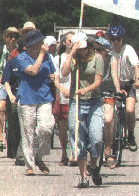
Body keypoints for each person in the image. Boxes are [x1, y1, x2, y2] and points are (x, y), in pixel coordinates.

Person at [61, 32, 104, 187]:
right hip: (76, 101)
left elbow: (98, 81)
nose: (82, 52)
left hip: (94, 102)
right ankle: (83, 176)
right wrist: (72, 52)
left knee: (96, 138)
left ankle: (94, 165)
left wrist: (87, 90)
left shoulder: (97, 58)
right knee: (77, 135)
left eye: (83, 49)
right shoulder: (74, 58)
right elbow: (64, 73)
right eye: (79, 49)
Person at [15, 30, 56, 176]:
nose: (43, 44)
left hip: (44, 96)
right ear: (32, 45)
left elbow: (52, 73)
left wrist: (52, 77)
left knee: (47, 127)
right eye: (40, 42)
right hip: (27, 98)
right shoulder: (22, 58)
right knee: (28, 132)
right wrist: (41, 55)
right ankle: (30, 164)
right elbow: (33, 71)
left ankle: (38, 156)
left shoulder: (47, 57)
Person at [108, 25, 139, 152]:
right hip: (113, 85)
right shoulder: (109, 51)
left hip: (128, 83)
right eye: (113, 39)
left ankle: (131, 135)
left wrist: (137, 80)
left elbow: (136, 66)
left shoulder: (128, 49)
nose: (116, 42)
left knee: (130, 110)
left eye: (119, 39)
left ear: (123, 39)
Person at [93, 36, 117, 168]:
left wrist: (118, 90)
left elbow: (114, 75)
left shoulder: (111, 60)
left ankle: (108, 152)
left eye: (99, 49)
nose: (95, 52)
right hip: (93, 93)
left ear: (106, 51)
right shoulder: (90, 59)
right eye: (94, 49)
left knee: (108, 120)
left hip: (107, 92)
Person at [52, 31, 74, 166]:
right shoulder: (57, 59)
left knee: (75, 126)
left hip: (75, 95)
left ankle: (74, 153)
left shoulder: (78, 58)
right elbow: (55, 79)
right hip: (63, 96)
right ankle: (64, 153)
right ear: (64, 42)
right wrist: (62, 89)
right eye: (69, 40)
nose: (71, 43)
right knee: (63, 127)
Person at [0, 27, 21, 151]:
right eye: (10, 36)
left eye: (15, 37)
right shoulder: (1, 50)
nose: (13, 39)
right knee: (2, 107)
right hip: (1, 82)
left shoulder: (19, 51)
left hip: (13, 82)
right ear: (5, 38)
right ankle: (1, 136)